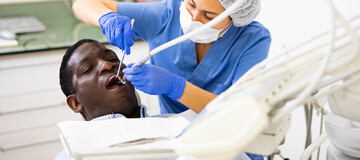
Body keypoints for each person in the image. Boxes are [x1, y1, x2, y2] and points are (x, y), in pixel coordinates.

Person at [72, 0, 271, 115]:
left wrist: (176, 87)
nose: (193, 17)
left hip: (229, 141)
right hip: (173, 141)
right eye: (191, 4)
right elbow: (82, 3)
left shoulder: (252, 41)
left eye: (208, 16)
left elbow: (237, 112)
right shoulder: (167, 16)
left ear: (235, 18)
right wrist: (106, 18)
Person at [56, 39, 258, 160]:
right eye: (87, 69)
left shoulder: (185, 125)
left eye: (112, 59)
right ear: (75, 103)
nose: (106, 66)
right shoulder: (72, 155)